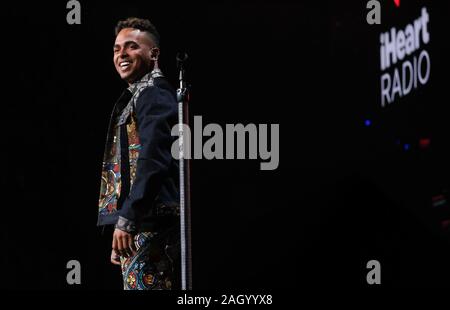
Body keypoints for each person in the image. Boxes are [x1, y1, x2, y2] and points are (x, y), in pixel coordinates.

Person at [97, 17, 180, 290]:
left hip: (151, 223)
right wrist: (123, 226)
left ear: (153, 53)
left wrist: (128, 220)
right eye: (117, 48)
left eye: (131, 47)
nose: (121, 54)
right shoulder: (141, 94)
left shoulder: (153, 93)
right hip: (143, 224)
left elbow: (153, 159)